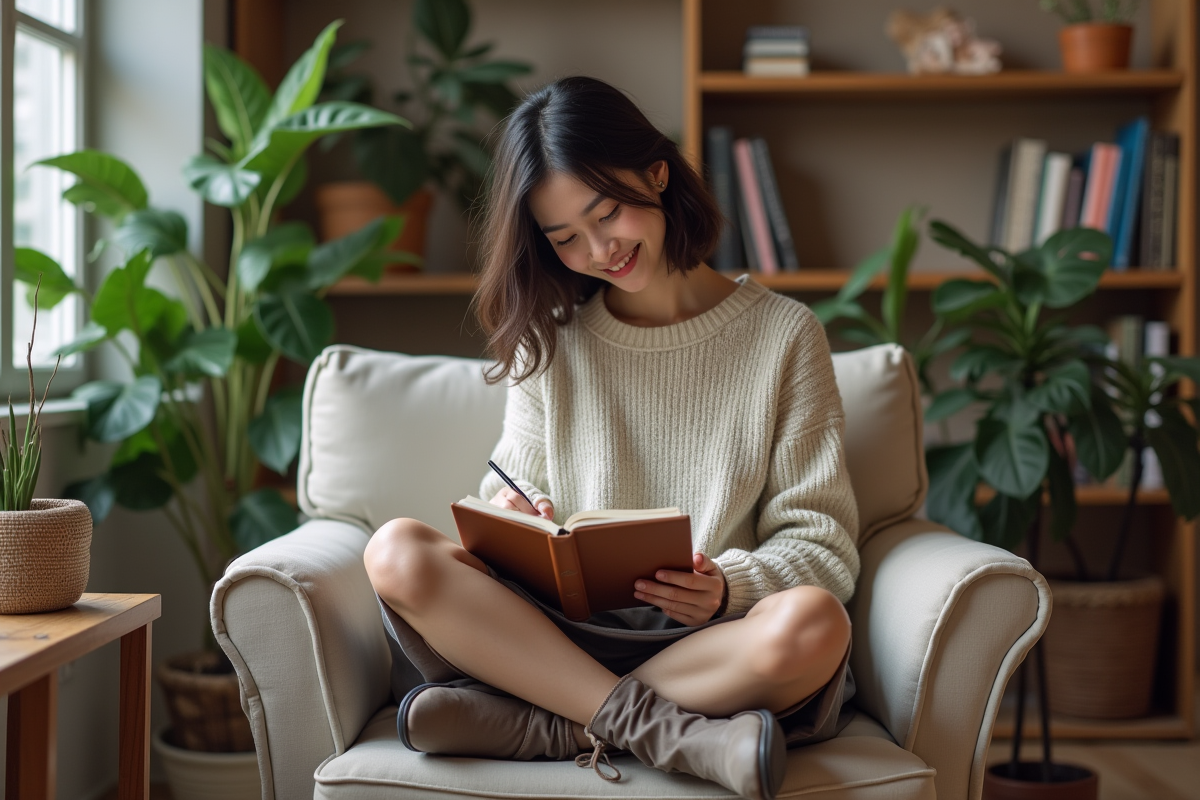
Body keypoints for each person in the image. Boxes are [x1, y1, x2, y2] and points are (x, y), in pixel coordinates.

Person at [364, 76, 860, 800]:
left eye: (607, 214)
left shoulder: (784, 337)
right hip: (555, 634)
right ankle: (664, 732)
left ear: (656, 173)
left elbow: (823, 544)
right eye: (565, 237)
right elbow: (507, 495)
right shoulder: (552, 345)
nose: (599, 250)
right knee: (395, 552)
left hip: (706, 644)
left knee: (814, 625)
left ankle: (547, 724)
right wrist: (515, 519)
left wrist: (727, 588)